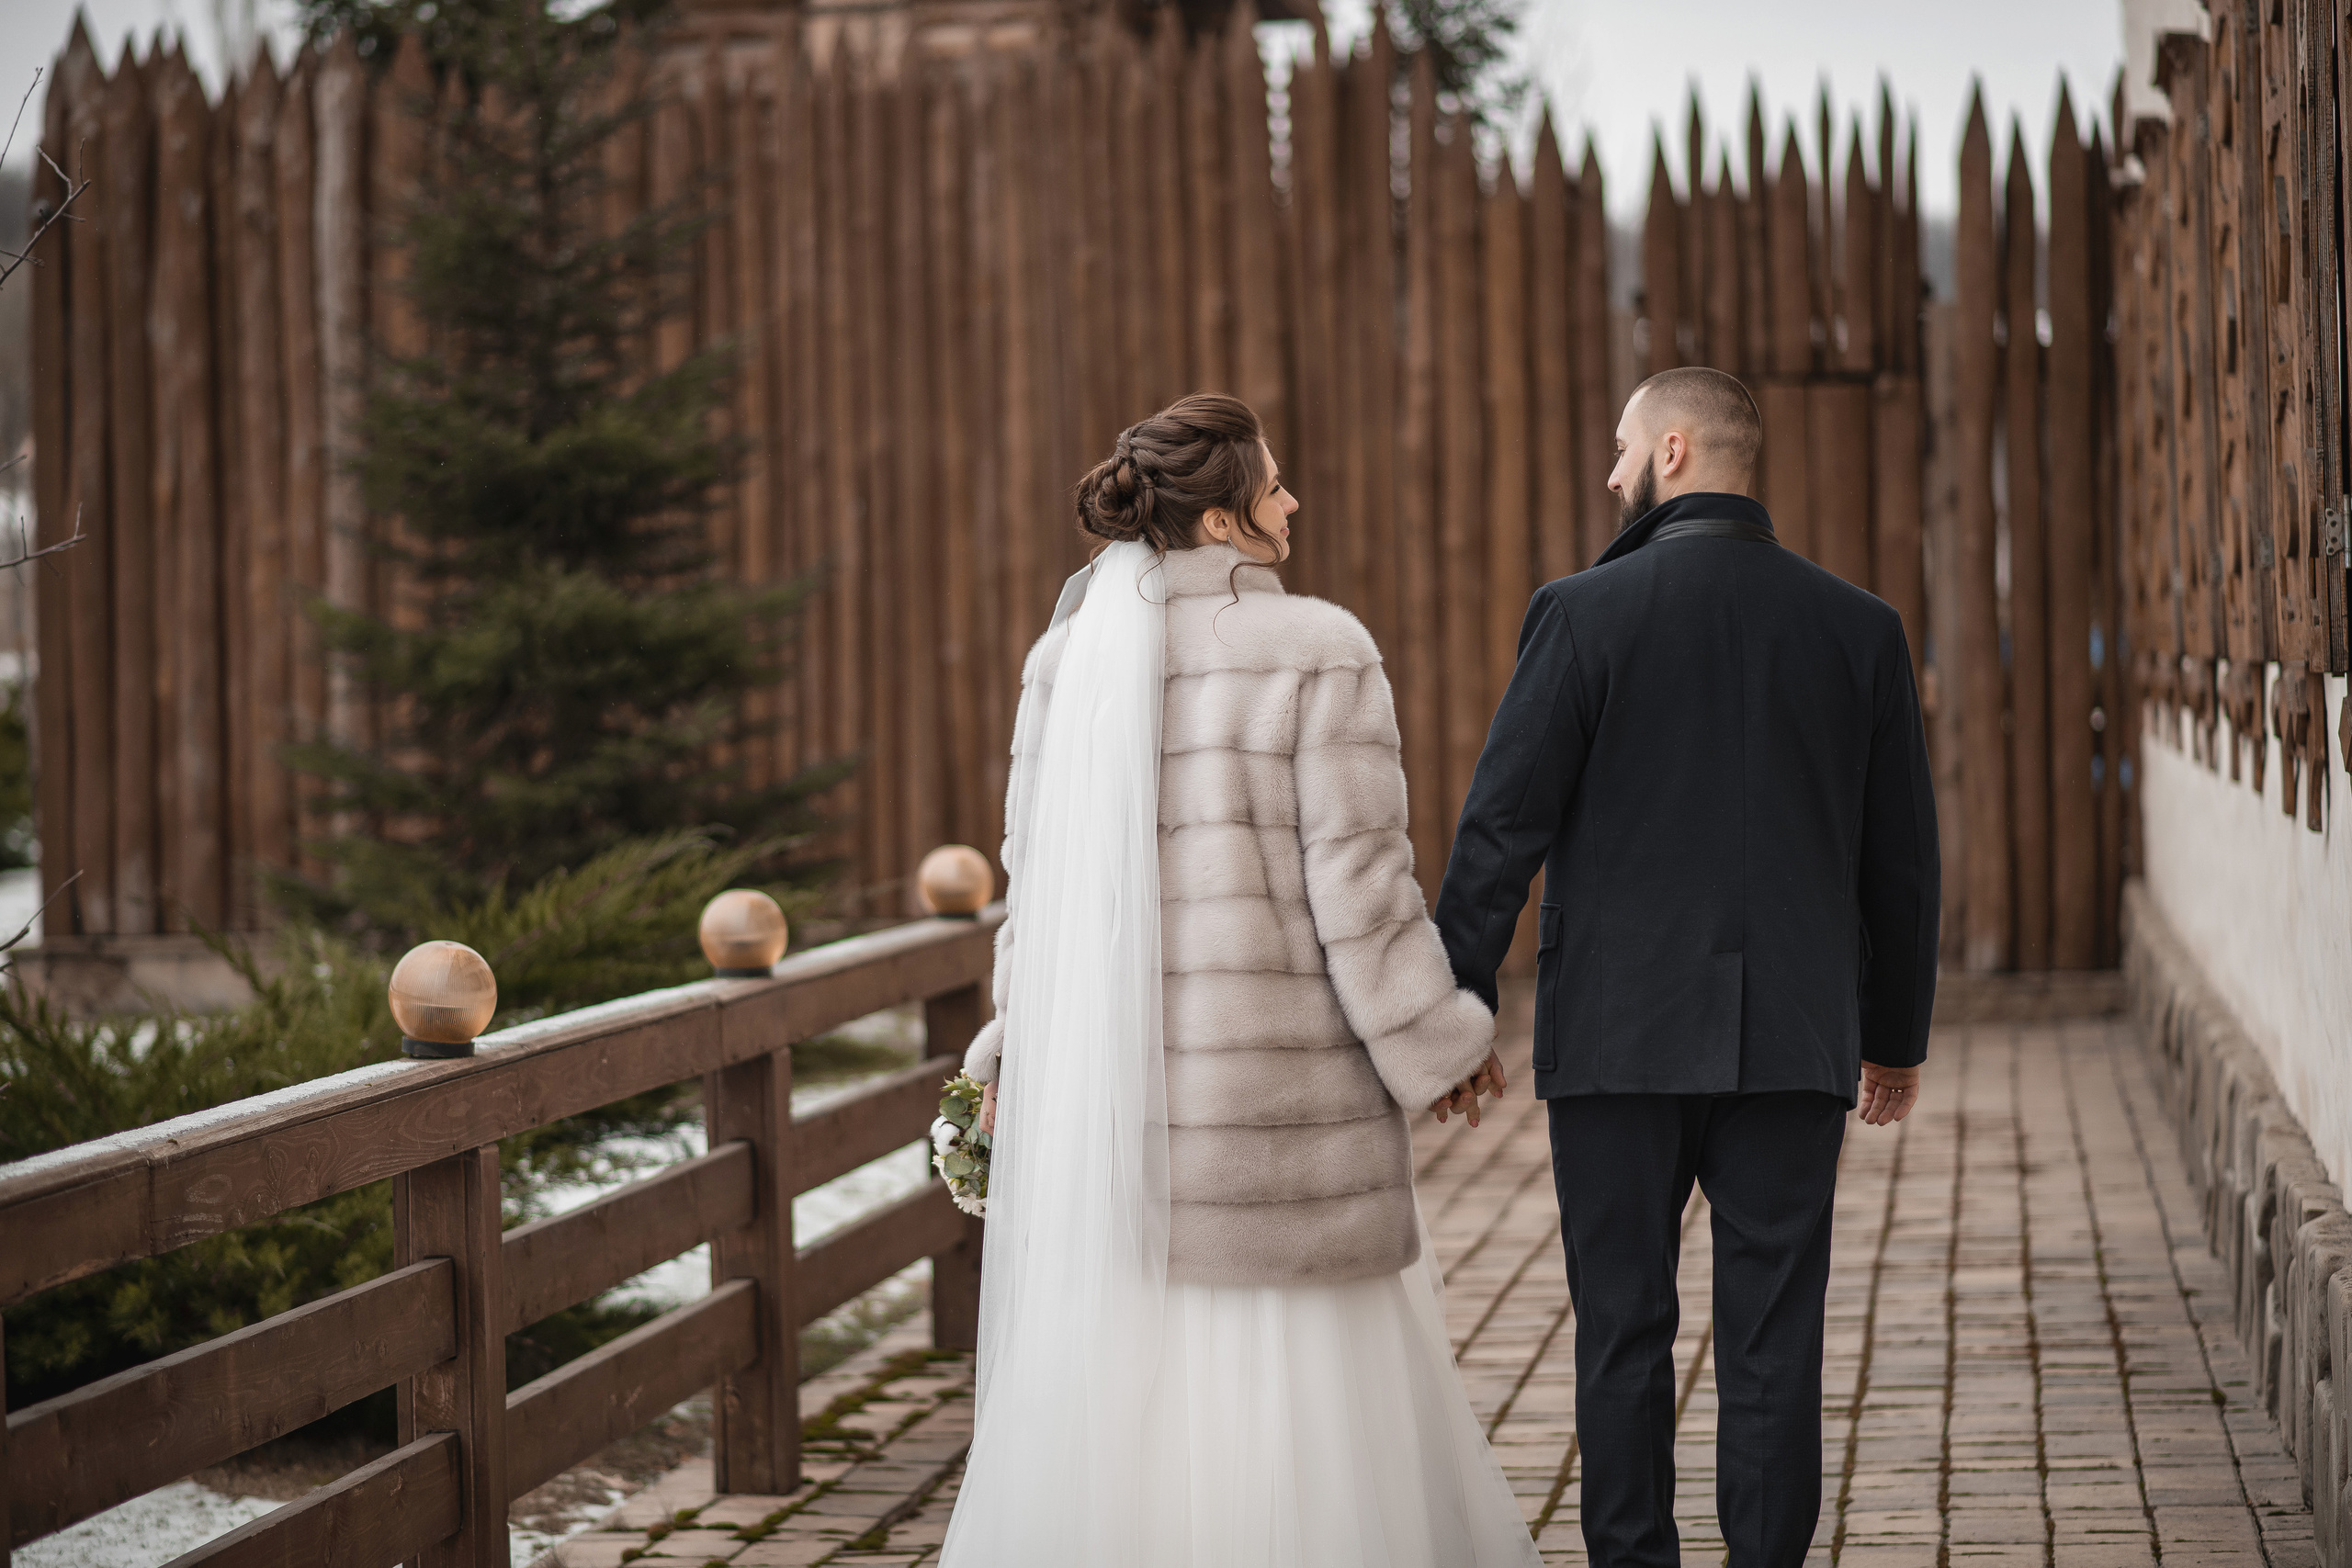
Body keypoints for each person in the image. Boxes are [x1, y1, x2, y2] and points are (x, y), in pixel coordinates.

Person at [940, 392, 1538, 1567]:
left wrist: (1016, 1046)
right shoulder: (1319, 651)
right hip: (1279, 1131)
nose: (1292, 502)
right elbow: (1362, 889)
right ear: (1221, 522)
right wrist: (1438, 1047)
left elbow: (1037, 890)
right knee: (1304, 1417)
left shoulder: (1062, 664)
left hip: (1120, 1118)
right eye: (1273, 487)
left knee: (1142, 1404)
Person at [1431, 367, 1940, 1567]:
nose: (1610, 472)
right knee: (1774, 1340)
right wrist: (1893, 1035)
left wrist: (1456, 1008)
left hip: (1616, 1038)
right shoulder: (1859, 626)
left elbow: (1500, 830)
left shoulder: (1581, 613)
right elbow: (1902, 857)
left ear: (1671, 452)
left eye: (1622, 448)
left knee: (1622, 1330)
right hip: (1795, 1037)